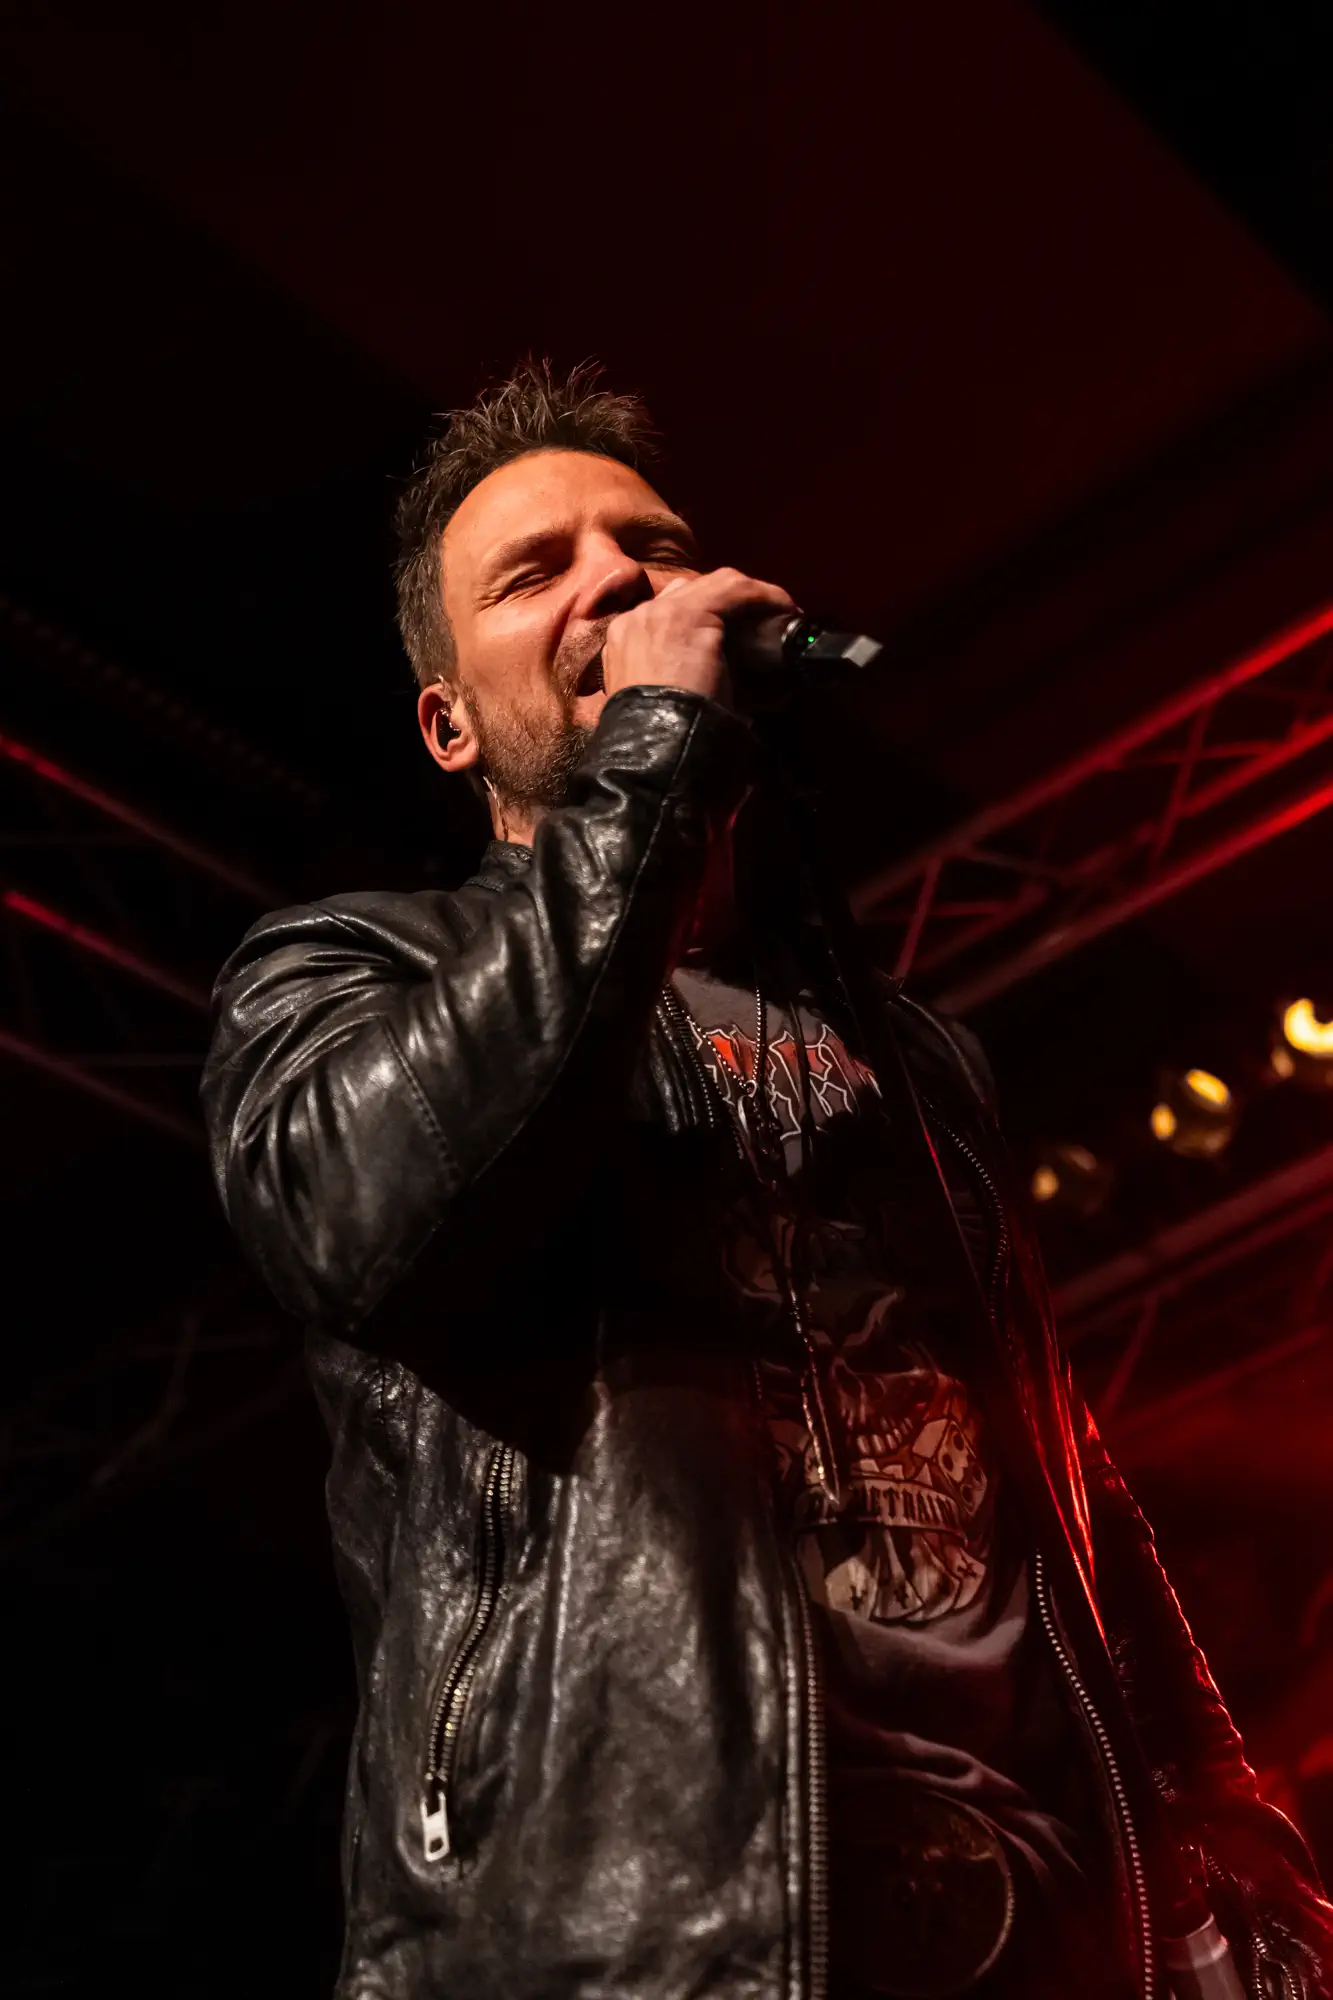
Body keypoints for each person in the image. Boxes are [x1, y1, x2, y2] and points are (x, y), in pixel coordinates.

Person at [202, 361, 1332, 2000]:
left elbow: (1056, 1468)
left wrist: (1229, 1840)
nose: (615, 581)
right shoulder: (353, 970)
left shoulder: (910, 1051)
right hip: (641, 1931)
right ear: (448, 723)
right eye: (535, 572)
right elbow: (365, 1221)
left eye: (649, 547)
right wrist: (655, 755)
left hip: (1048, 1925)